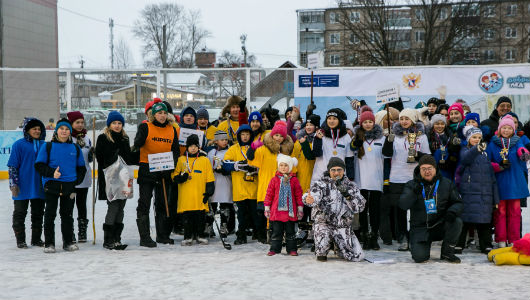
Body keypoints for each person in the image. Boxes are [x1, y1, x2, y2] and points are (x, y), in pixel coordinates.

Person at [34, 118, 87, 253]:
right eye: (61, 129)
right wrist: (52, 173)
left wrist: (76, 181)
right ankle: (49, 243)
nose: (64, 131)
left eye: (67, 129)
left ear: (70, 132)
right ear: (56, 131)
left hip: (69, 186)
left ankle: (68, 242)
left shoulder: (75, 147)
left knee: (67, 215)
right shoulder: (48, 146)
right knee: (50, 214)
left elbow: (82, 167)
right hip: (52, 184)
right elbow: (39, 165)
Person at [399, 155, 463, 263]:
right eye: (423, 169)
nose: (427, 171)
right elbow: (403, 205)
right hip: (420, 228)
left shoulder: (446, 183)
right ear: (419, 170)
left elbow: (458, 202)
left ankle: (447, 252)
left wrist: (452, 212)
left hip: (439, 224)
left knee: (456, 222)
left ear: (435, 168)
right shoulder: (411, 185)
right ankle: (418, 245)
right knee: (419, 258)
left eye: (429, 168)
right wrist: (414, 193)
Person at [382, 108, 431, 251]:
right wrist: (389, 141)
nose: (404, 121)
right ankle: (402, 236)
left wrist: (417, 155)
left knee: (417, 208)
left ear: (413, 120)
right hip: (397, 177)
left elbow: (427, 157)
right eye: (402, 118)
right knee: (400, 210)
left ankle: (415, 235)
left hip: (415, 177)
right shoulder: (394, 135)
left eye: (407, 119)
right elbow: (386, 155)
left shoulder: (421, 136)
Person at [133, 102, 179, 247]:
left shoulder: (171, 129)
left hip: (163, 170)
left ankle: (162, 235)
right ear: (153, 115)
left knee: (162, 204)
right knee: (144, 203)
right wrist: (140, 136)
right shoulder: (145, 126)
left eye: (164, 113)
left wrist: (170, 167)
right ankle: (145, 237)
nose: (162, 116)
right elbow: (137, 144)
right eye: (159, 113)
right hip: (147, 169)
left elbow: (175, 151)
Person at [302, 157, 366, 262]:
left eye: (339, 170)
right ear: (329, 171)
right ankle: (325, 245)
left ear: (343, 170)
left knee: (356, 256)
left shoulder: (351, 186)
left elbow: (360, 207)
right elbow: (312, 196)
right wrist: (308, 199)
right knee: (321, 255)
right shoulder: (320, 184)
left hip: (342, 225)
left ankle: (337, 246)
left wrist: (348, 195)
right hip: (324, 223)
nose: (336, 173)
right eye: (333, 170)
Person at [247, 120, 295, 243]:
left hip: (282, 187)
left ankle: (277, 234)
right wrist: (252, 149)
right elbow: (252, 161)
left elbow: (293, 168)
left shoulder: (287, 151)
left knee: (280, 212)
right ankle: (266, 234)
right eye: (276, 135)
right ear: (272, 135)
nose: (278, 138)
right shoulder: (264, 149)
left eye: (281, 136)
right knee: (265, 212)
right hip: (266, 186)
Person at [486, 115, 530, 247]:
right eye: (504, 127)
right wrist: (497, 166)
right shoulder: (493, 143)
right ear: (499, 129)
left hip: (515, 182)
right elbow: (487, 161)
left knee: (515, 212)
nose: (506, 130)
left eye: (509, 128)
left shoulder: (517, 141)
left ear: (513, 130)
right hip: (500, 182)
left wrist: (524, 154)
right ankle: (500, 239)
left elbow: (521, 150)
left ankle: (513, 239)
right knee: (500, 212)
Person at [456, 126, 498, 254]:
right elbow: (465, 159)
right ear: (468, 139)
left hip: (485, 193)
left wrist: (495, 197)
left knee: (484, 221)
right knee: (464, 219)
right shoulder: (465, 150)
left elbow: (492, 177)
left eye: (479, 138)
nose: (477, 140)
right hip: (469, 192)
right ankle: (459, 243)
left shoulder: (485, 153)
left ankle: (486, 244)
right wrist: (476, 149)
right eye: (474, 137)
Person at [95, 111, 132, 250]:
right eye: (114, 123)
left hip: (123, 177)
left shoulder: (125, 138)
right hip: (110, 178)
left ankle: (117, 238)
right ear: (109, 124)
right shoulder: (103, 138)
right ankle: (108, 239)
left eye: (119, 123)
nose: (117, 126)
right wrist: (113, 155)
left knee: (121, 207)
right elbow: (101, 159)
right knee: (113, 206)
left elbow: (128, 158)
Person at [8, 118, 46, 248]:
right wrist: (13, 184)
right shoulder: (19, 145)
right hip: (22, 186)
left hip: (39, 185)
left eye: (39, 129)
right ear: (27, 130)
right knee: (19, 213)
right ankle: (21, 240)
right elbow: (13, 166)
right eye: (34, 129)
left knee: (38, 214)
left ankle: (36, 239)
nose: (37, 131)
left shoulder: (43, 145)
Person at [350, 110, 385, 250]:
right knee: (362, 209)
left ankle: (374, 236)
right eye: (365, 122)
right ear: (361, 123)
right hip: (361, 180)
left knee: (375, 209)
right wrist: (356, 142)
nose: (368, 124)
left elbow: (387, 157)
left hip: (377, 179)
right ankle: (364, 235)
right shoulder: (357, 138)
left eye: (370, 121)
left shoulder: (381, 138)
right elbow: (351, 150)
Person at [172, 134, 215, 246]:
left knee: (200, 217)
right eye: (190, 146)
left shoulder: (204, 160)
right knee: (187, 218)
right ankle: (188, 236)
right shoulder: (181, 160)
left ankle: (200, 235)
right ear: (187, 147)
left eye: (195, 146)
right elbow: (174, 175)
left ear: (198, 147)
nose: (193, 148)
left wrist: (209, 191)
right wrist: (180, 178)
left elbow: (209, 177)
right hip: (186, 196)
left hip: (199, 195)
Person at [222, 125, 259, 245]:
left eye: (247, 134)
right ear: (239, 135)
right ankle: (241, 236)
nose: (245, 137)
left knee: (256, 214)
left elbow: (263, 163)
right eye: (242, 134)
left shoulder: (256, 148)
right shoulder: (233, 149)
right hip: (239, 189)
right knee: (241, 215)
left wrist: (256, 169)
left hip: (254, 189)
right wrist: (237, 165)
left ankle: (259, 234)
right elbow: (225, 164)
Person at [264, 154, 304, 256]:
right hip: (277, 212)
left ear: (290, 167)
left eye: (286, 165)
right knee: (276, 232)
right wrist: (267, 207)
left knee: (291, 233)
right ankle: (274, 249)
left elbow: (298, 195)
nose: (283, 167)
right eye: (281, 165)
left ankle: (291, 249)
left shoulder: (294, 180)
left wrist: (300, 208)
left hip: (290, 213)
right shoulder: (274, 180)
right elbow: (269, 194)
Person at [66, 111, 92, 243]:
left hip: (84, 177)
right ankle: (69, 231)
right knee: (69, 205)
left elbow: (88, 157)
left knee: (82, 205)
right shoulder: (67, 137)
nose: (80, 125)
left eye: (82, 122)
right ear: (71, 124)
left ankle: (82, 231)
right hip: (70, 177)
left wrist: (92, 154)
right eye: (77, 122)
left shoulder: (87, 138)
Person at [311, 108, 355, 183]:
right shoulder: (320, 134)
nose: (331, 121)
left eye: (334, 119)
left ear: (339, 120)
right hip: (321, 174)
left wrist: (350, 177)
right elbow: (316, 154)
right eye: (329, 118)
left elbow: (349, 158)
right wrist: (318, 140)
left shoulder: (345, 136)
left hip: (339, 175)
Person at [206, 130, 233, 238]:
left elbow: (231, 164)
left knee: (225, 205)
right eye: (222, 140)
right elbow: (207, 165)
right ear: (216, 141)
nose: (225, 142)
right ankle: (209, 226)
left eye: (226, 139)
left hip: (225, 181)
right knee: (211, 205)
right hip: (214, 180)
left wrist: (225, 170)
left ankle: (224, 227)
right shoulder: (211, 152)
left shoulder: (230, 151)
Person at [427, 114, 458, 180]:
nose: (440, 126)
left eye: (442, 124)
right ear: (433, 125)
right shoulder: (429, 136)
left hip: (448, 168)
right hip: (434, 168)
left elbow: (455, 152)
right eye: (437, 124)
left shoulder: (450, 135)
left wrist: (450, 161)